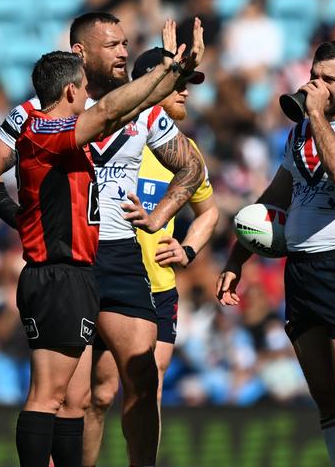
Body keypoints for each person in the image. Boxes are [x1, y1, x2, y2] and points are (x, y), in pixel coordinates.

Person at [0, 12, 205, 467]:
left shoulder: (146, 112)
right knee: (74, 396)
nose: (123, 52)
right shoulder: (37, 116)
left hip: (118, 252)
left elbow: (190, 167)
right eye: (112, 44)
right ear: (80, 53)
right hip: (69, 258)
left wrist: (162, 214)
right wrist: (20, 219)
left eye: (125, 43)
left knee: (141, 374)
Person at [217, 40, 335, 467]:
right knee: (324, 392)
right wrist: (236, 259)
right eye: (314, 76)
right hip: (299, 269)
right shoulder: (299, 132)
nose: (316, 86)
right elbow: (275, 198)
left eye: (328, 80)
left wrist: (316, 114)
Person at [82, 47, 219, 465]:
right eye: (178, 84)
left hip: (158, 288)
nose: (185, 94)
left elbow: (209, 211)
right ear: (149, 85)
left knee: (148, 385)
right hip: (107, 277)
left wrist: (189, 248)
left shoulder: (184, 151)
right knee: (99, 396)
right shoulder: (113, 137)